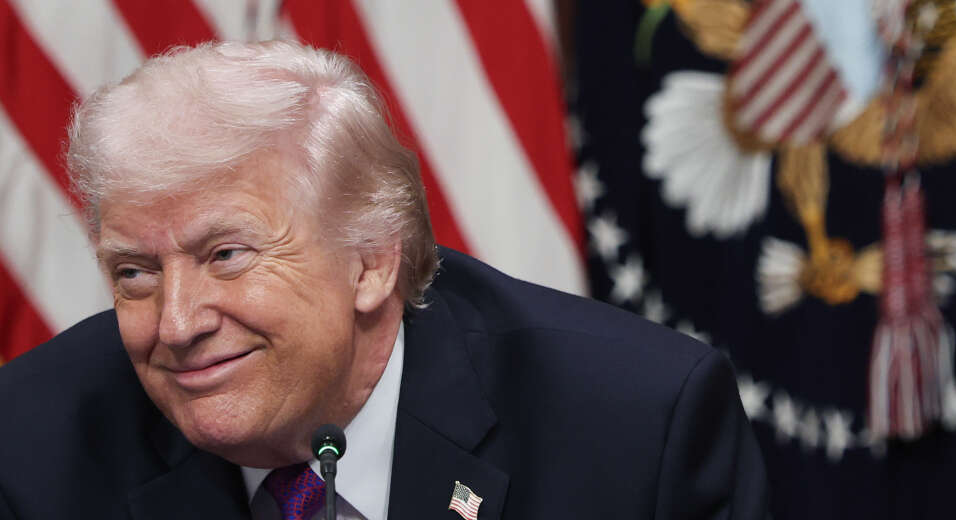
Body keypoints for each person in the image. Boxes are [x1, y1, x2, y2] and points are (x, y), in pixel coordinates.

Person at [0, 41, 768, 519]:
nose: (175, 323)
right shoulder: (33, 443)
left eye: (226, 255)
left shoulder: (634, 428)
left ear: (371, 260)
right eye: (135, 271)